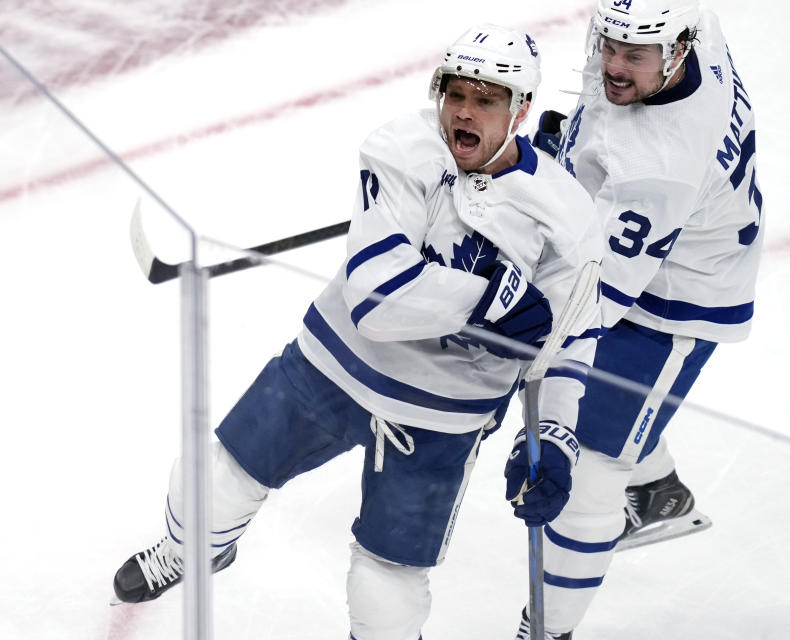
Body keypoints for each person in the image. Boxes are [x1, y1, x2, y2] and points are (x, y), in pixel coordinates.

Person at [111, 23, 603, 640]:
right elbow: (376, 298)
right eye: (456, 95)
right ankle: (192, 551)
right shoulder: (400, 148)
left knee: (386, 594)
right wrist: (492, 298)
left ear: (521, 110)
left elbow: (573, 335)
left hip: (438, 419)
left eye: (487, 99)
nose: (464, 113)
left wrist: (555, 433)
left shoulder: (566, 213)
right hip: (332, 364)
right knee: (209, 489)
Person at [516, 0, 765, 637]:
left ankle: (549, 631)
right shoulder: (685, 22)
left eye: (635, 55)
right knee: (594, 404)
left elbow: (590, 301)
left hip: (676, 297)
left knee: (589, 470)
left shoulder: (658, 167)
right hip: (649, 240)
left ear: (676, 51)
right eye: (610, 44)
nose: (613, 65)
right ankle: (658, 491)